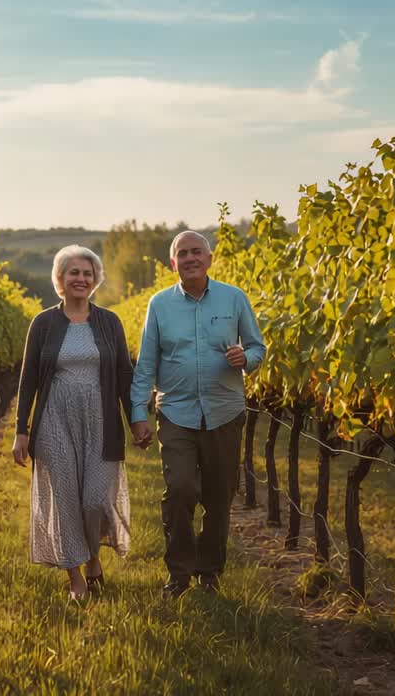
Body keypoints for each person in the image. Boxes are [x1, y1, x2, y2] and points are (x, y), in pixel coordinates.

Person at [129, 230, 266, 597]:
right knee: (181, 489)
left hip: (224, 411)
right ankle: (179, 573)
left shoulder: (234, 298)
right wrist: (138, 415)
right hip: (176, 411)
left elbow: (257, 347)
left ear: (209, 258)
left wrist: (246, 359)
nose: (190, 258)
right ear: (173, 263)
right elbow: (146, 364)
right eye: (182, 253)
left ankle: (210, 574)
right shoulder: (159, 305)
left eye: (196, 252)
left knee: (220, 498)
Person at [13, 245, 134, 601]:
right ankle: (76, 580)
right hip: (54, 420)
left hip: (100, 421)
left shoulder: (109, 322)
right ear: (61, 280)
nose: (81, 279)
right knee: (65, 501)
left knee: (94, 500)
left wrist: (137, 419)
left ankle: (94, 557)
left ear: (95, 280)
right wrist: (22, 430)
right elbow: (28, 379)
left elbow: (125, 375)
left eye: (87, 273)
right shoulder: (44, 323)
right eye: (74, 273)